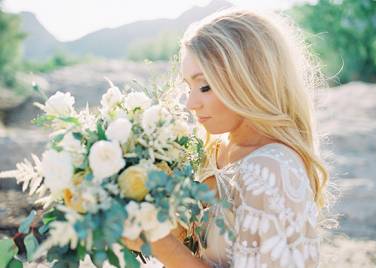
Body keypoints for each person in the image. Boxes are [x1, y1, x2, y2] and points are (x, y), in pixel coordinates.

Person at [123, 8, 329, 268]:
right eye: (189, 87)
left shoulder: (269, 170)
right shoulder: (215, 151)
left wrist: (160, 244)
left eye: (205, 86)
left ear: (251, 80)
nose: (191, 103)